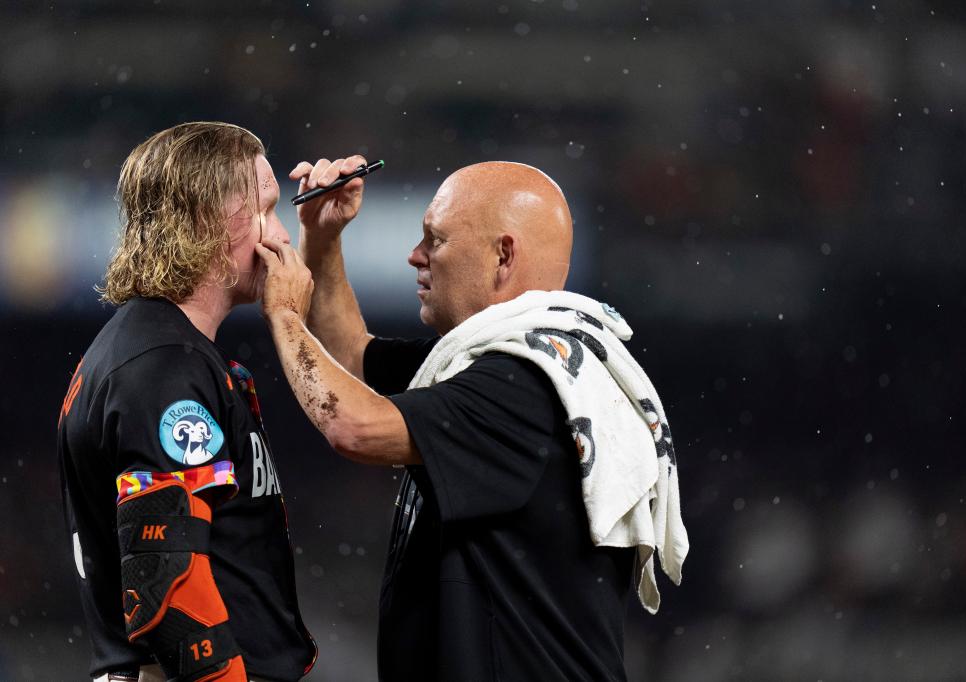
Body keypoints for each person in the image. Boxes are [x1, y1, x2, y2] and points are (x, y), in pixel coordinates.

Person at [255, 157, 689, 681]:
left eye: (434, 240)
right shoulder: (505, 365)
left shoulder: (524, 385)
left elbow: (356, 426)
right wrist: (322, 240)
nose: (415, 256)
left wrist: (282, 313)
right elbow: (349, 357)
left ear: (503, 255)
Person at [57, 122, 317, 682]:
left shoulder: (154, 348)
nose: (282, 238)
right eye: (267, 210)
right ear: (205, 220)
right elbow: (167, 585)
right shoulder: (163, 364)